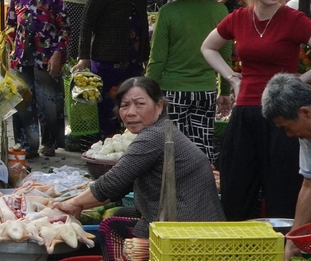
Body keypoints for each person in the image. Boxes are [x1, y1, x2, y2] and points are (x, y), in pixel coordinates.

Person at [201, 0, 311, 220]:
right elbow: (208, 47)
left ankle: (284, 254)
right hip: (245, 111)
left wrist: (298, 83)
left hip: (283, 117)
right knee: (236, 190)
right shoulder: (239, 17)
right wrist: (232, 77)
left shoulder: (294, 20)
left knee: (282, 190)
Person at [54, 77, 224, 238]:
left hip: (183, 228)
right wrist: (75, 204)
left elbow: (113, 182)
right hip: (191, 218)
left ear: (159, 106)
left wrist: (73, 204)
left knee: (110, 229)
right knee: (120, 213)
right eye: (125, 105)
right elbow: (120, 186)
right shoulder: (165, 129)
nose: (131, 113)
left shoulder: (154, 136)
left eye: (140, 104)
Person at [145, 0, 231, 162]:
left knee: (173, 149)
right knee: (202, 146)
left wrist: (148, 91)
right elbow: (225, 54)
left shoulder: (168, 12)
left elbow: (158, 59)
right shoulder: (220, 11)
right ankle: (204, 190)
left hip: (173, 92)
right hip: (206, 92)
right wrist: (225, 91)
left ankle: (177, 193)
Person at [75, 0, 152, 138]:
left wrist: (145, 56)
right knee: (108, 110)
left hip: (133, 63)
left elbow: (142, 26)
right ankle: (105, 148)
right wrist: (83, 57)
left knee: (133, 108)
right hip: (107, 62)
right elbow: (86, 25)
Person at [3, 0, 66, 158]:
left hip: (47, 54)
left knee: (49, 100)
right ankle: (26, 144)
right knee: (23, 100)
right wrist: (8, 50)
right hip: (21, 55)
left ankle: (49, 142)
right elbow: (9, 26)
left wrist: (58, 53)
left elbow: (65, 28)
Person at [259, 74, 311, 261]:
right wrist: (292, 242)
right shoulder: (307, 135)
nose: (288, 135)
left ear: (305, 113)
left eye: (287, 128)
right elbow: (308, 186)